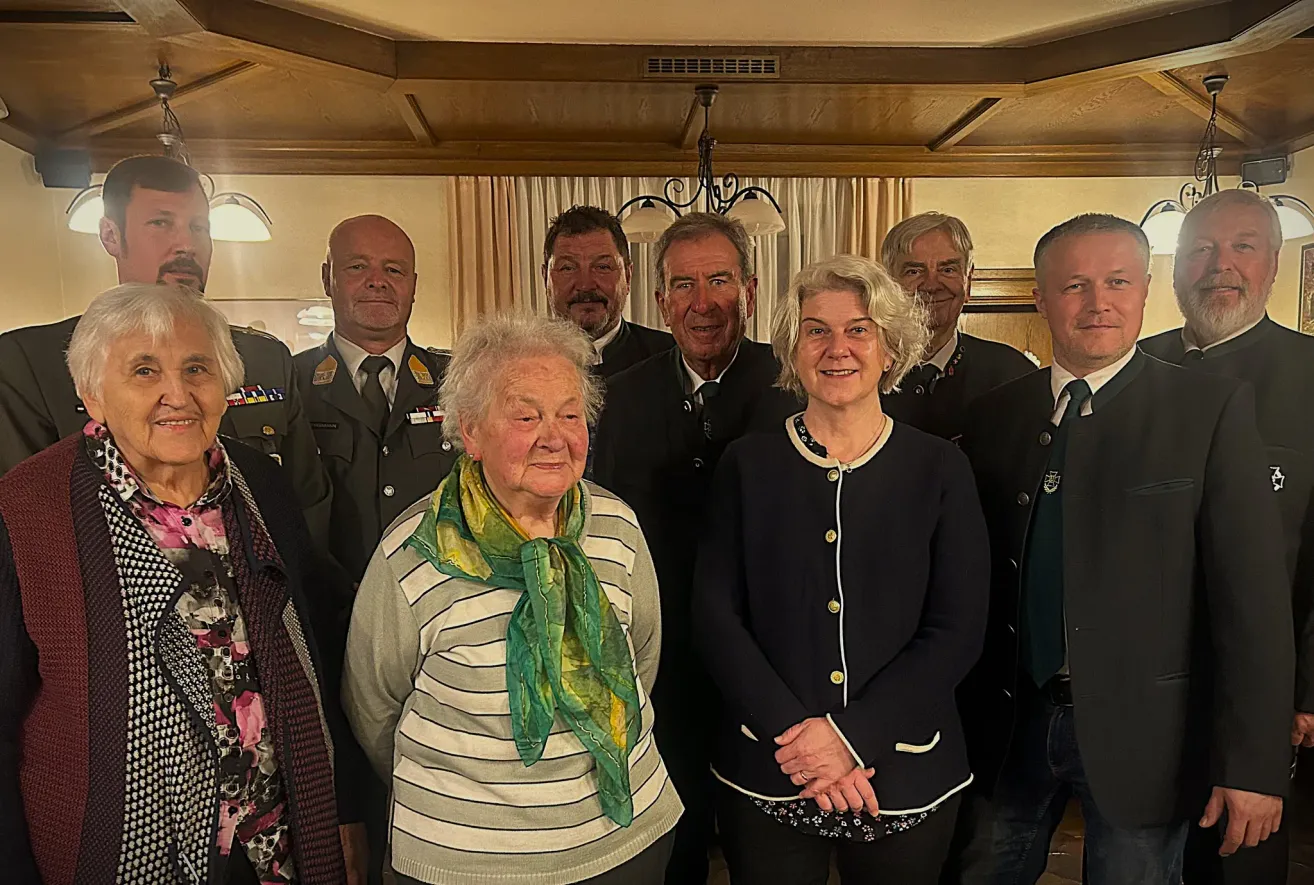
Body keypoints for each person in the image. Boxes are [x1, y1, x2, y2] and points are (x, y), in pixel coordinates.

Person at [958, 214, 1294, 884]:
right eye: (1074, 284)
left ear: (1145, 290)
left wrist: (1254, 764)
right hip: (1010, 724)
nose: (1097, 301)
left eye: (1116, 281)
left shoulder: (1209, 409)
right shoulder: (994, 416)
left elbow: (1252, 600)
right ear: (1042, 298)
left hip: (1149, 737)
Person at [0, 284, 359, 884]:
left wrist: (345, 803)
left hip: (281, 842)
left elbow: (318, 654)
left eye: (198, 368)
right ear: (92, 393)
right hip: (121, 853)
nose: (179, 394)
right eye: (144, 371)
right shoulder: (28, 509)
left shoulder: (262, 485)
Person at [341, 314, 682, 885]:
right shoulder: (413, 550)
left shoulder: (617, 527)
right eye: (526, 415)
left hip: (625, 841)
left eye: (570, 414)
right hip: (464, 862)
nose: (555, 436)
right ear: (470, 431)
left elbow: (642, 660)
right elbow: (375, 707)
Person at [692, 254, 989, 884]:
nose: (837, 348)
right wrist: (802, 744)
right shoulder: (746, 465)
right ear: (792, 348)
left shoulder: (940, 469)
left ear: (890, 346)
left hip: (906, 769)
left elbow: (957, 630)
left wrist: (851, 739)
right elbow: (716, 617)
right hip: (771, 766)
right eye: (816, 329)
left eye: (859, 328)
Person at [592, 212, 802, 885]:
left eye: (719, 280)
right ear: (660, 301)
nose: (702, 302)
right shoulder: (617, 400)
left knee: (767, 858)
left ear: (751, 286)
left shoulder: (796, 386)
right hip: (661, 674)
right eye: (684, 284)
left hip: (774, 675)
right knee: (671, 852)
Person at [0, 154, 335, 551]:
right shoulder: (29, 362)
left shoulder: (264, 359)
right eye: (161, 223)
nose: (186, 244)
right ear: (111, 235)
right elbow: (26, 527)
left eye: (199, 227)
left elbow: (306, 506)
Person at [1141, 188, 1314, 884]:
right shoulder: (1131, 367)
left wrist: (1308, 685)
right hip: (1136, 688)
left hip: (1254, 687)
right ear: (1176, 267)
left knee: (1237, 864)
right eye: (1201, 249)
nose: (1221, 265)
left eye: (1243, 246)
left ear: (1274, 263)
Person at [295, 215, 457, 585]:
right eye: (357, 266)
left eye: (394, 270)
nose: (378, 281)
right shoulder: (291, 384)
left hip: (435, 608)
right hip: (326, 611)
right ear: (327, 278)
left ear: (413, 285)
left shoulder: (460, 381)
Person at [880, 212, 1035, 441]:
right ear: (888, 284)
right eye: (914, 271)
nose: (932, 285)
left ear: (968, 281)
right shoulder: (856, 372)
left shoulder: (1013, 375)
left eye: (948, 269)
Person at [543, 205, 673, 377]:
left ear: (627, 275)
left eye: (602, 267)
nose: (585, 285)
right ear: (545, 277)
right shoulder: (518, 361)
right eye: (568, 268)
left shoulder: (672, 358)